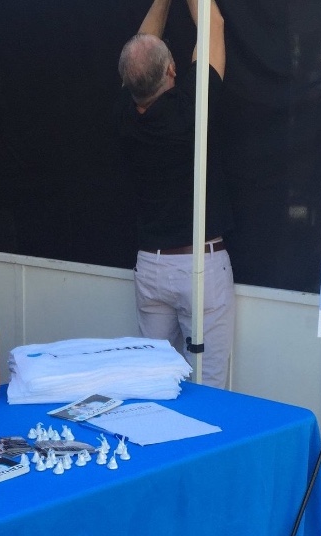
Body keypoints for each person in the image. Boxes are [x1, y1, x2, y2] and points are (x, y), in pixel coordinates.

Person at [117, 0, 234, 388]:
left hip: (150, 264)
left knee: (153, 381)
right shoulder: (192, 109)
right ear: (171, 69)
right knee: (208, 385)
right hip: (199, 266)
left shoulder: (124, 117)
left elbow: (142, 44)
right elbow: (212, 24)